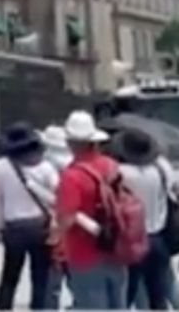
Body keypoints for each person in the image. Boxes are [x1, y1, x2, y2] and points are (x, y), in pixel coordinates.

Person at [54, 110, 127, 310]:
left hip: (84, 254)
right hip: (116, 248)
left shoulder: (71, 176)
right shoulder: (112, 167)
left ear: (71, 143)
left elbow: (66, 218)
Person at [0, 123, 60, 311]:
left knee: (10, 276)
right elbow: (58, 197)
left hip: (13, 228)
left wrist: (0, 227)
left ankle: (3, 307)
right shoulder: (45, 166)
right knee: (40, 276)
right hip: (40, 226)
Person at [112, 128, 174, 310]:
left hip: (132, 240)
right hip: (158, 237)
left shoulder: (121, 173)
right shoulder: (160, 170)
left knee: (127, 293)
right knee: (157, 294)